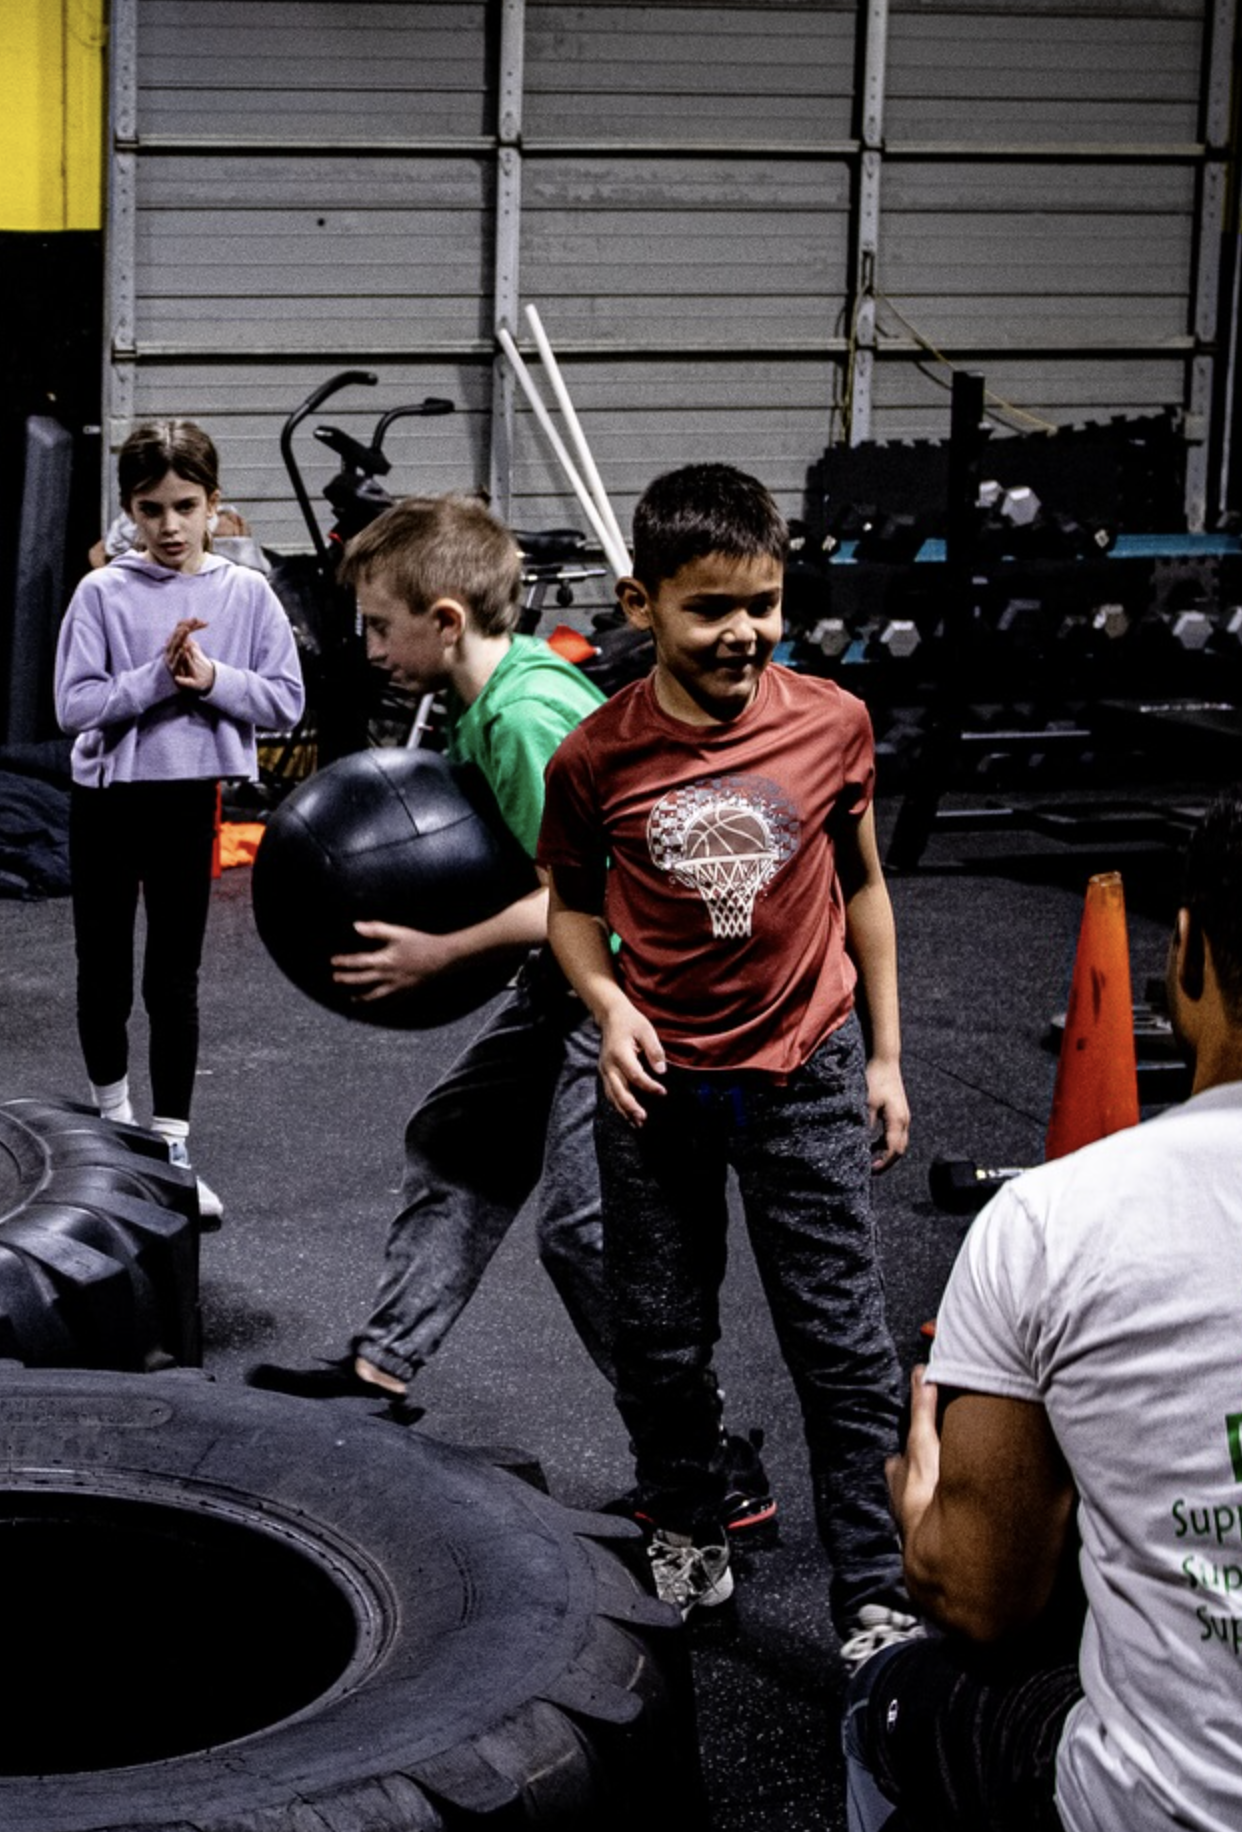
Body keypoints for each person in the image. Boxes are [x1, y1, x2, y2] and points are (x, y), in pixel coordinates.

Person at [539, 463, 915, 1663]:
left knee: (845, 1348)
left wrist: (889, 1058)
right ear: (639, 601)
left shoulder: (832, 724)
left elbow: (863, 887)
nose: (742, 632)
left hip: (807, 1066)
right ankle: (690, 1527)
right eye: (710, 608)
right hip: (660, 1088)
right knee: (659, 1336)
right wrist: (606, 1003)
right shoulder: (596, 757)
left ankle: (873, 1590)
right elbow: (566, 909)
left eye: (764, 602)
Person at [844, 787, 1242, 1832]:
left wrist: (925, 1506)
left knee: (892, 1689)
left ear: (1186, 954)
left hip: (1169, 1809)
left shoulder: (1055, 1218)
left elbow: (980, 1595)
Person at [247, 495, 619, 1402]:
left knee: (580, 1231)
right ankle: (383, 1366)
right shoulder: (487, 697)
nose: (370, 648)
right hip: (570, 979)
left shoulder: (525, 718)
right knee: (456, 1137)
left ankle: (703, 1449)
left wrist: (442, 951)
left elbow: (591, 899)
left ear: (445, 621)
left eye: (381, 627)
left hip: (625, 989)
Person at [54, 420, 304, 1220]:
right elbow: (73, 706)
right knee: (102, 970)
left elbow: (285, 699)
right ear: (128, 509)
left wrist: (211, 677)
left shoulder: (245, 593)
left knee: (174, 978)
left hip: (189, 797)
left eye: (184, 507)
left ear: (214, 507)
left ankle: (170, 1147)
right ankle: (112, 1127)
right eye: (150, 508)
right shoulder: (101, 592)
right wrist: (158, 680)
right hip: (106, 803)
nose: (167, 527)